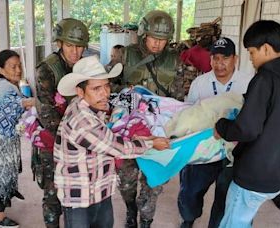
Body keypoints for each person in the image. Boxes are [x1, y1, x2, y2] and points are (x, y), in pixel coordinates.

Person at [54, 55, 170, 228]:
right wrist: (152, 143)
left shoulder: (90, 107)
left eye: (107, 86)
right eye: (96, 88)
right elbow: (117, 147)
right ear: (80, 91)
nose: (105, 93)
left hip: (99, 189)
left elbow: (111, 136)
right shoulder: (82, 121)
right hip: (79, 197)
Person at [214, 20, 280, 228]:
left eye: (252, 52)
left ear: (266, 48)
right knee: (244, 219)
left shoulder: (265, 78)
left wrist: (222, 127)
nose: (251, 59)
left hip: (254, 173)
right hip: (278, 172)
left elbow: (247, 128)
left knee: (233, 222)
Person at [178, 37, 252, 228]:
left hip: (233, 152)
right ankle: (188, 219)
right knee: (190, 191)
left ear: (235, 58)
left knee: (225, 195)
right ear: (210, 60)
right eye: (215, 58)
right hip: (203, 149)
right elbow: (189, 116)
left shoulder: (248, 83)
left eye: (225, 58)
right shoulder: (200, 83)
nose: (219, 64)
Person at [120, 10, 181, 228]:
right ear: (144, 34)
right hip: (131, 130)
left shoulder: (175, 60)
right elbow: (109, 88)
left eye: (163, 40)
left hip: (158, 130)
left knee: (153, 182)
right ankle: (130, 211)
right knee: (126, 181)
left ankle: (146, 221)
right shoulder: (126, 55)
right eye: (154, 38)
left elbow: (179, 97)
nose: (157, 44)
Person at [34, 18, 89, 228]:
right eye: (69, 45)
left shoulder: (84, 66)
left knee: (76, 194)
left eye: (79, 46)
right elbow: (46, 114)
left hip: (79, 140)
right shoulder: (47, 70)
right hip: (54, 141)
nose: (75, 51)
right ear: (60, 44)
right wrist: (75, 136)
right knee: (52, 195)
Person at [0, 50, 35, 227]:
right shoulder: (4, 87)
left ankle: (2, 196)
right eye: (13, 67)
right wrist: (39, 101)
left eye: (19, 66)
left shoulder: (8, 85)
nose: (18, 70)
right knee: (0, 179)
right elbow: (18, 104)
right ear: (1, 70)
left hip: (2, 140)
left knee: (3, 175)